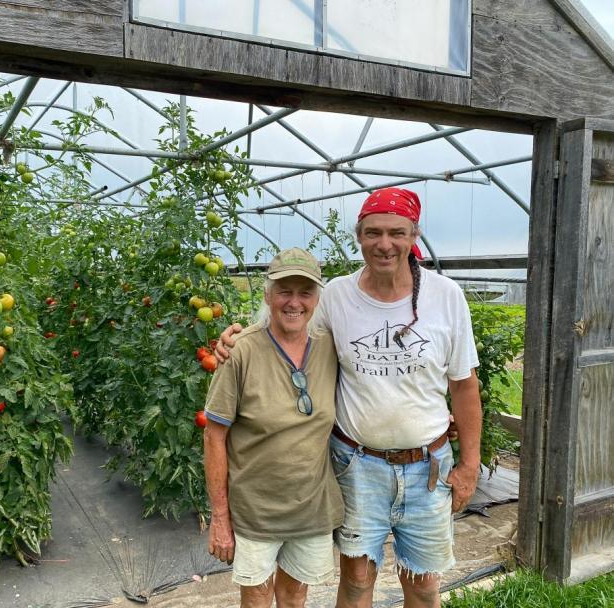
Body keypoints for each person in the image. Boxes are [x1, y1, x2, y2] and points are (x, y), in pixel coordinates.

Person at [217, 188, 482, 608]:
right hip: (358, 463)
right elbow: (285, 324)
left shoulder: (445, 296)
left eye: (397, 233)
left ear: (414, 234)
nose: (385, 244)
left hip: (428, 465)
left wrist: (469, 464)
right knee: (357, 579)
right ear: (359, 235)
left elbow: (464, 386)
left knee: (424, 584)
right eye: (372, 232)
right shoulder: (338, 295)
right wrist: (236, 335)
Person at [203, 247, 344, 608]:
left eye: (305, 292)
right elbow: (214, 435)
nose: (294, 302)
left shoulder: (330, 345)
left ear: (317, 298)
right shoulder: (240, 351)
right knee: (257, 596)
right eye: (284, 290)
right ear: (267, 295)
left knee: (295, 594)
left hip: (310, 506)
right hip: (255, 510)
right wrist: (220, 516)